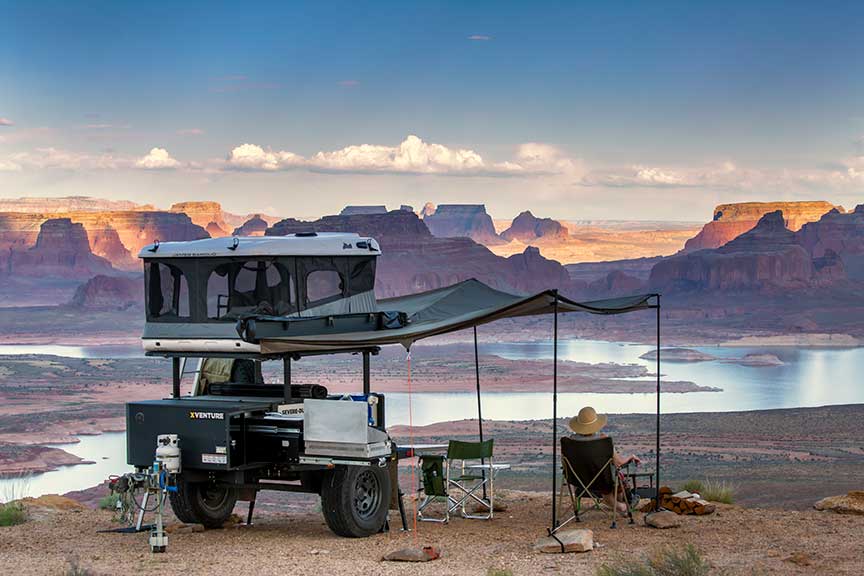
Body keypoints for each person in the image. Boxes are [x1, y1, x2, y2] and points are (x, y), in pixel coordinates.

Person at [568, 406, 641, 513]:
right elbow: (619, 463)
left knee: (611, 479)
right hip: (602, 482)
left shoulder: (570, 442)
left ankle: (621, 506)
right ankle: (623, 507)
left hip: (578, 480)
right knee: (615, 475)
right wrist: (631, 457)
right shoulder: (603, 441)